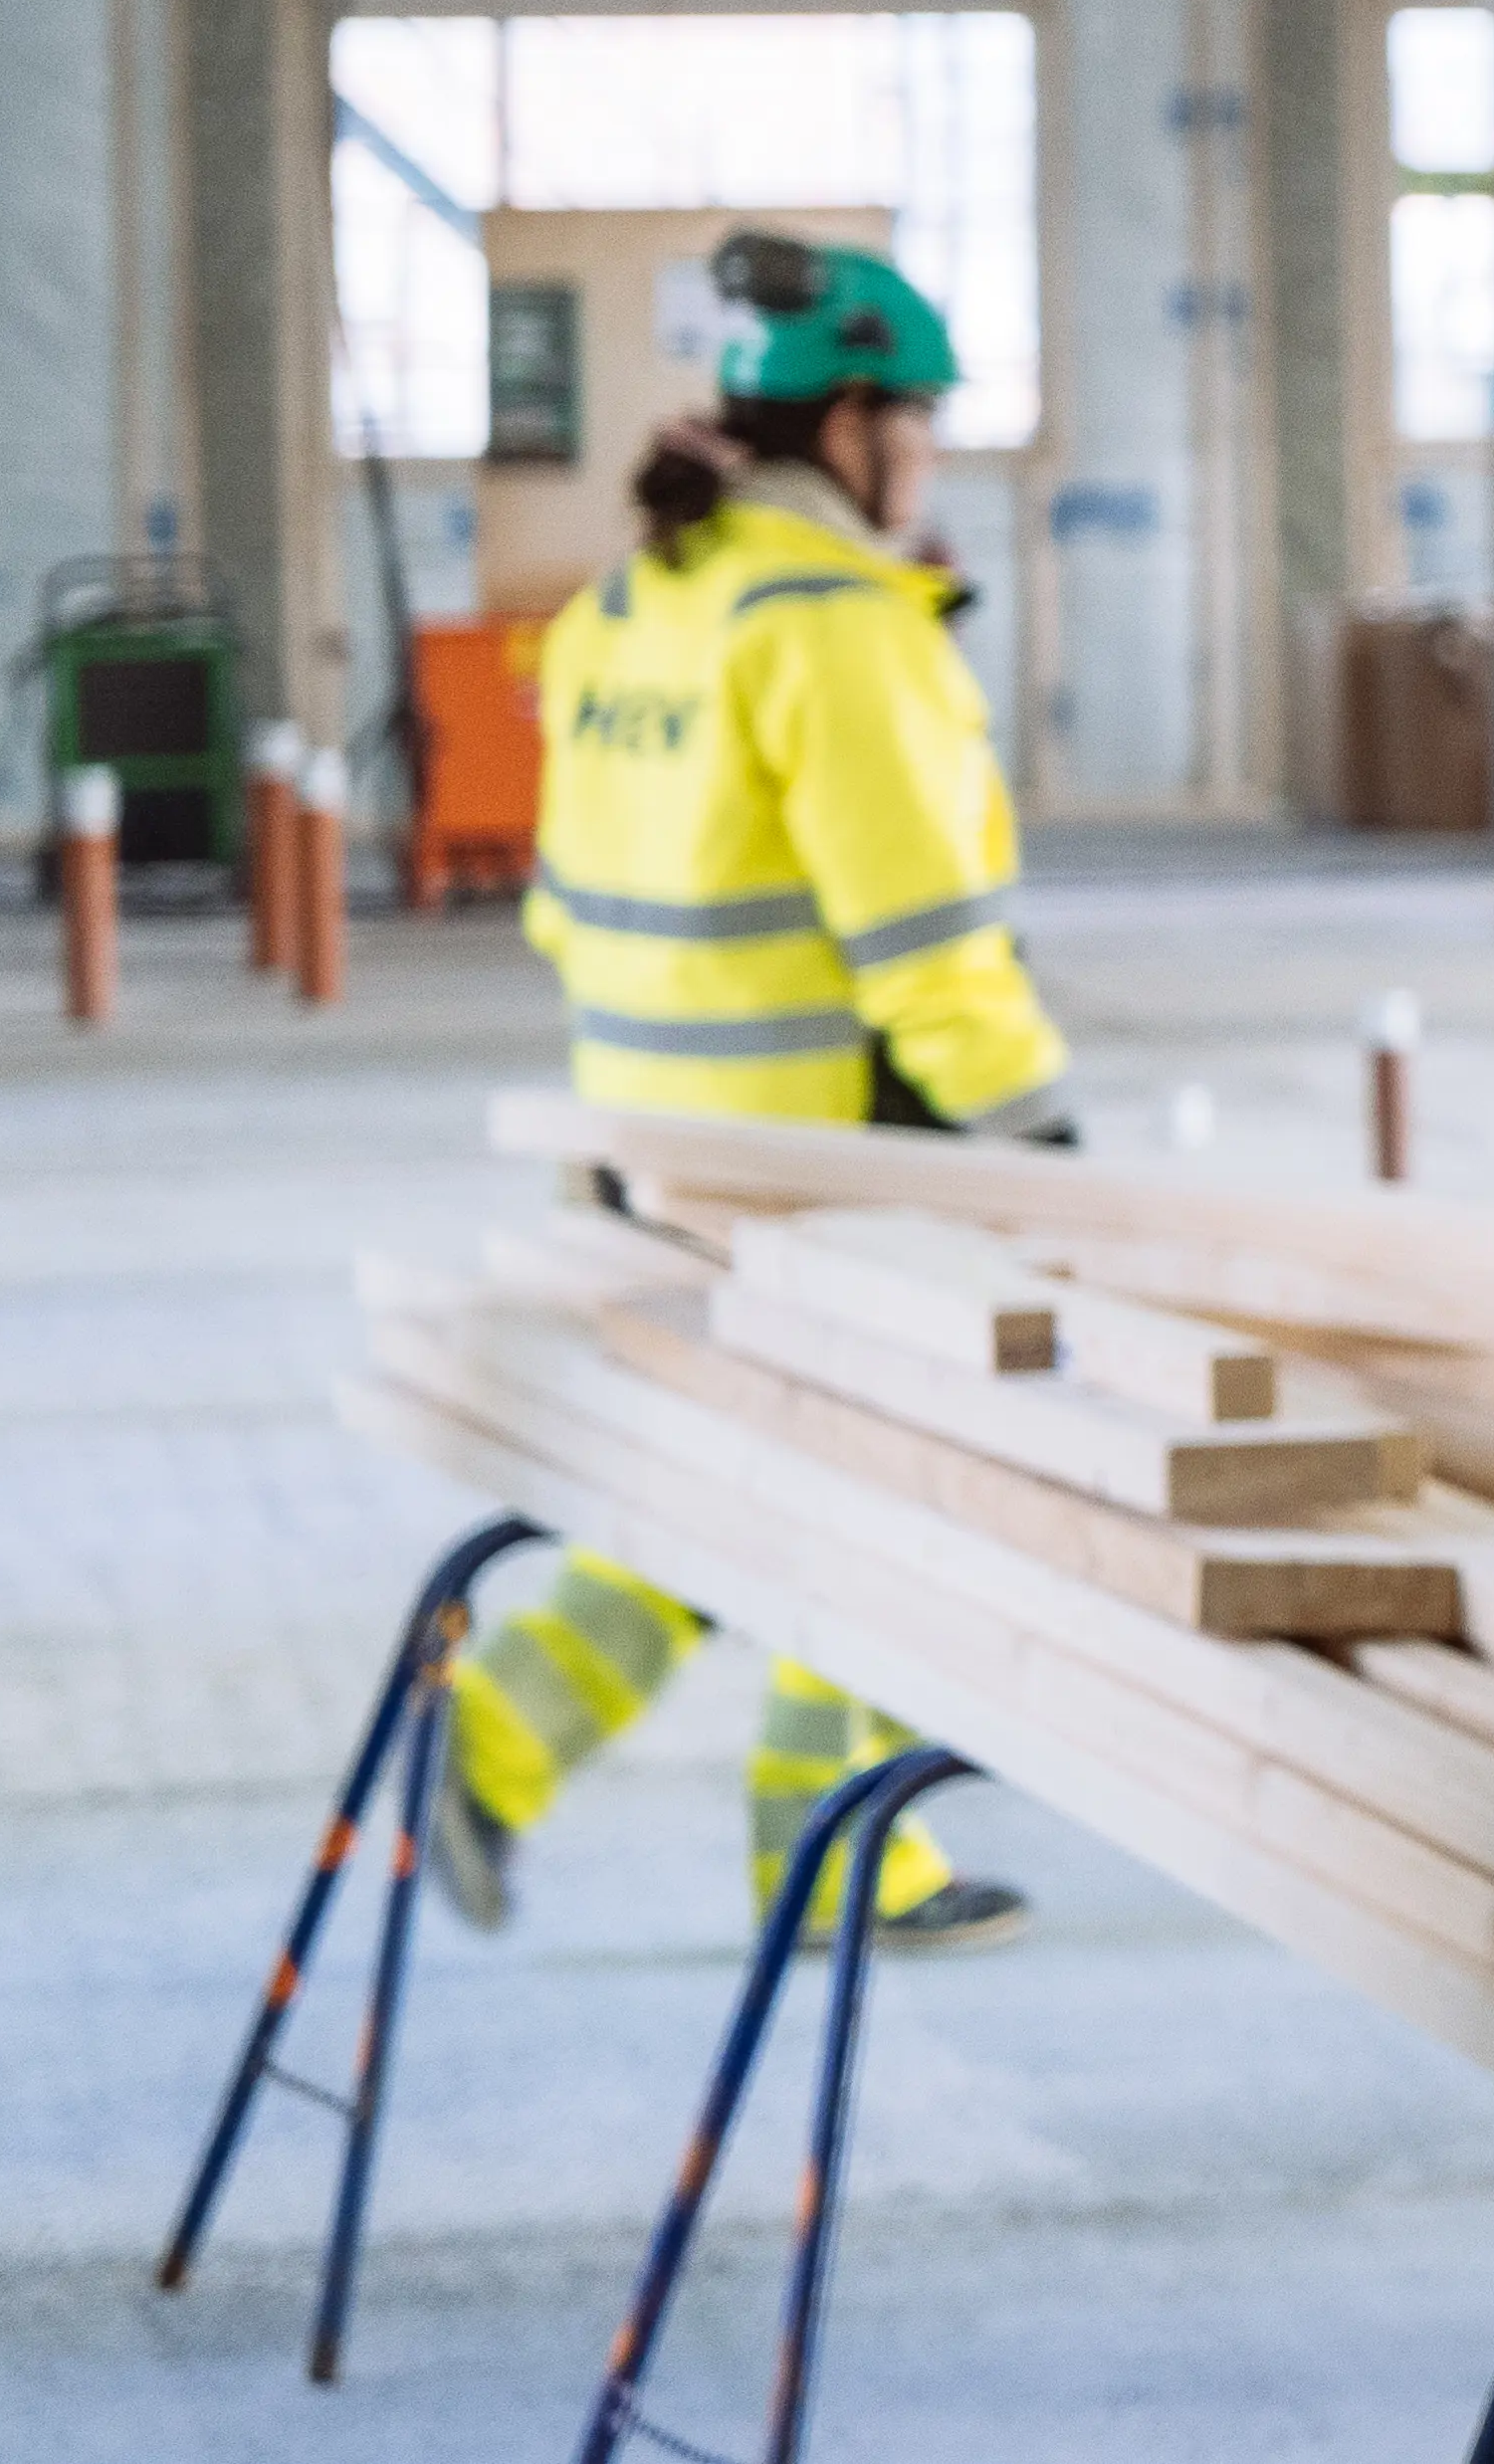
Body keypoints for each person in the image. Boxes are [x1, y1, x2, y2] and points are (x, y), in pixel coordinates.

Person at [431, 231, 1069, 1955]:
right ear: (853, 426)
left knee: (714, 1490)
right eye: (920, 423)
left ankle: (498, 1735)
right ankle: (826, 1854)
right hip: (813, 1157)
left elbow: (569, 900)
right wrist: (1040, 1137)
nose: (927, 460)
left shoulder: (640, 603)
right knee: (884, 1495)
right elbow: (928, 945)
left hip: (640, 1142)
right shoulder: (837, 628)